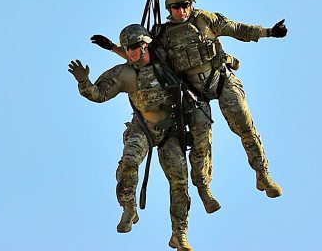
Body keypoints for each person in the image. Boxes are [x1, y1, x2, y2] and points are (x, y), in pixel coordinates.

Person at [69, 23, 215, 250]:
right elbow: (98, 95)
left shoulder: (167, 62)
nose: (131, 53)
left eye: (135, 48)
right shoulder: (123, 74)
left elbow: (191, 58)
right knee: (128, 164)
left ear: (146, 45)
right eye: (127, 49)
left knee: (179, 182)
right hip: (143, 129)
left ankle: (179, 234)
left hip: (170, 131)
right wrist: (83, 82)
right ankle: (129, 209)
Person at [154, 0, 287, 199]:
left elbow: (237, 29)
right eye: (176, 7)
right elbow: (140, 56)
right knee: (200, 141)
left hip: (220, 80)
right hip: (194, 94)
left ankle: (263, 174)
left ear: (191, 5)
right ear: (169, 9)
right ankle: (204, 188)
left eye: (185, 6)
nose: (181, 11)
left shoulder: (205, 20)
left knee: (243, 124)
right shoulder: (161, 35)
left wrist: (269, 32)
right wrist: (115, 48)